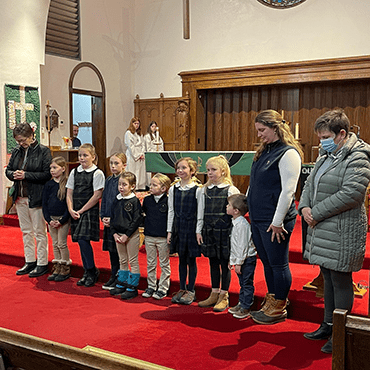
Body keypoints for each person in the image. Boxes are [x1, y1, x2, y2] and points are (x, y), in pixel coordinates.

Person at [299, 109, 370, 354]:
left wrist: (315, 213)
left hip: (343, 228)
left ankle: (341, 332)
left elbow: (351, 194)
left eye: (325, 137)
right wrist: (304, 206)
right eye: (319, 137)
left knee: (340, 280)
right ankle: (327, 325)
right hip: (323, 226)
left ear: (342, 133)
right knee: (327, 278)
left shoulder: (358, 155)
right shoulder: (326, 154)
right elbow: (310, 183)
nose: (321, 142)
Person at [247, 109, 303, 325]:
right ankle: (272, 299)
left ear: (275, 128)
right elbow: (254, 184)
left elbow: (288, 191)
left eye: (262, 130)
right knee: (268, 263)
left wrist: (278, 221)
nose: (259, 134)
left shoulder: (288, 153)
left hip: (275, 220)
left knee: (278, 264)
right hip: (259, 217)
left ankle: (279, 305)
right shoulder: (264, 151)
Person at [6, 122, 52, 277]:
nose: (20, 143)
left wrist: (26, 175)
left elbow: (47, 174)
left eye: (23, 140)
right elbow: (9, 170)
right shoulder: (17, 151)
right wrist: (14, 174)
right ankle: (30, 261)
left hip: (36, 196)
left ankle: (42, 263)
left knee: (39, 232)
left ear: (31, 135)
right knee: (26, 231)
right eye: (18, 141)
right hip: (20, 196)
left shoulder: (44, 151)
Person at [196, 155, 240, 312]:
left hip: (225, 231)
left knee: (224, 264)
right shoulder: (204, 190)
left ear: (223, 171)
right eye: (208, 170)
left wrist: (235, 235)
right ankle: (214, 293)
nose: (210, 173)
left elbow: (237, 214)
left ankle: (224, 295)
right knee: (213, 262)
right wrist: (198, 230)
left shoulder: (231, 190)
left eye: (213, 170)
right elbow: (200, 212)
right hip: (209, 231)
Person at [66, 143, 105, 287]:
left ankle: (91, 270)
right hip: (75, 210)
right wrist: (70, 208)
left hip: (88, 210)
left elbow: (97, 195)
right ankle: (87, 270)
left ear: (93, 157)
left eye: (85, 155)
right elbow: (69, 192)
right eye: (80, 155)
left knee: (83, 240)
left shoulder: (97, 173)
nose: (82, 158)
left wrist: (81, 210)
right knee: (80, 242)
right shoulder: (74, 171)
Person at [168, 157, 202, 305]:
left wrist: (198, 231)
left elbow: (200, 213)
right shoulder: (173, 188)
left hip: (192, 227)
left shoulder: (197, 189)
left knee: (191, 260)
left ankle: (191, 290)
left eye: (184, 168)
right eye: (178, 168)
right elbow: (171, 211)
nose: (180, 171)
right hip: (178, 226)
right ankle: (182, 288)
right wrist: (169, 231)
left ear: (192, 171)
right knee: (181, 259)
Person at [109, 172, 144, 300]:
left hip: (131, 235)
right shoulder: (117, 199)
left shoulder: (134, 201)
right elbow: (112, 218)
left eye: (124, 185)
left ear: (132, 186)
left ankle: (132, 287)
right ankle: (122, 283)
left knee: (133, 260)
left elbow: (136, 219)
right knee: (122, 260)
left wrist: (127, 235)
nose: (121, 187)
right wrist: (113, 233)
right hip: (118, 235)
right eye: (119, 184)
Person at [142, 173, 171, 299]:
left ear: (163, 188)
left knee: (164, 264)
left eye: (154, 185)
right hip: (149, 236)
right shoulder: (147, 200)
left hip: (162, 237)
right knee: (151, 263)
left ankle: (163, 288)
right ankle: (151, 286)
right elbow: (145, 214)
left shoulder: (168, 200)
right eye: (151, 184)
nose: (151, 187)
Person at [227, 194, 256, 319]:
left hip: (247, 260)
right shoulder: (236, 222)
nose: (226, 207)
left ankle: (246, 307)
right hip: (241, 259)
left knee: (246, 283)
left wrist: (238, 262)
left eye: (228, 205)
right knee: (242, 284)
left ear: (236, 210)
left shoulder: (242, 225)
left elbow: (242, 246)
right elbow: (235, 245)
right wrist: (232, 260)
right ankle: (241, 303)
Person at [42, 157, 71, 281]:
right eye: (51, 168)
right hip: (51, 219)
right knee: (54, 243)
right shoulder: (48, 184)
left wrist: (61, 220)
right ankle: (57, 266)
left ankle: (65, 266)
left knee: (61, 243)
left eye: (55, 168)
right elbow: (44, 204)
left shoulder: (67, 184)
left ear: (63, 169)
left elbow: (69, 205)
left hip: (63, 219)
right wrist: (49, 220)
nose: (52, 170)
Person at [100, 153, 127, 290]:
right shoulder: (109, 180)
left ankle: (121, 277)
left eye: (116, 163)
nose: (113, 166)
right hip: (108, 221)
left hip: (118, 222)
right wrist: (103, 216)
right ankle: (113, 273)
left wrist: (113, 219)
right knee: (112, 250)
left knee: (120, 252)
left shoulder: (125, 181)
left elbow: (123, 203)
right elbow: (105, 200)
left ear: (124, 165)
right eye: (111, 163)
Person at [124, 117, 146, 191]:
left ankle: (139, 187)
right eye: (135, 123)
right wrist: (137, 155)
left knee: (140, 172)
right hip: (132, 155)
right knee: (132, 171)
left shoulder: (139, 134)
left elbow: (143, 144)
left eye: (138, 123)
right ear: (132, 124)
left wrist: (142, 154)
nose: (137, 125)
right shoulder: (129, 133)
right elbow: (130, 146)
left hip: (140, 154)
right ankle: (132, 187)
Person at [144, 121, 164, 187]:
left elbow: (161, 146)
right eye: (152, 126)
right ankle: (150, 184)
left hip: (157, 155)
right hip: (151, 155)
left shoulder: (158, 137)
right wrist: (153, 151)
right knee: (150, 172)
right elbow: (147, 147)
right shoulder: (147, 136)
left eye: (155, 126)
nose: (154, 128)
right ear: (149, 127)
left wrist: (160, 152)